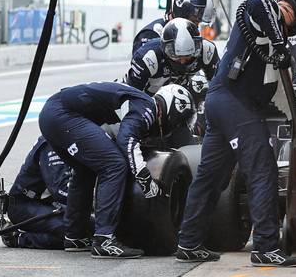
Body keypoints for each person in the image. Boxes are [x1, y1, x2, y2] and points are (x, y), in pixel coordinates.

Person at [175, 0, 296, 267]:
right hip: (234, 103)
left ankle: (188, 242)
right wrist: (280, 44)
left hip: (221, 102)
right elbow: (255, 2)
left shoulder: (271, 37)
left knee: (210, 177)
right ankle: (266, 247)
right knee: (262, 169)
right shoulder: (263, 10)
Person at [37, 82, 194, 258]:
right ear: (171, 109)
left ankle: (75, 235)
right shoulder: (147, 106)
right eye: (179, 121)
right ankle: (104, 239)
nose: (177, 127)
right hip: (62, 114)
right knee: (113, 165)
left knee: (85, 170)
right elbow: (126, 141)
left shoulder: (142, 105)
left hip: (52, 115)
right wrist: (146, 181)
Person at [0, 136, 73, 250]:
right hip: (25, 205)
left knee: (92, 228)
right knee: (73, 231)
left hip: (52, 202)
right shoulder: (52, 142)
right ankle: (18, 237)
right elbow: (61, 190)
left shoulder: (80, 136)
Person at [124, 18, 218, 94]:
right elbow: (131, 94)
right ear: (164, 48)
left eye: (188, 56)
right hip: (149, 99)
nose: (183, 62)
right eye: (177, 57)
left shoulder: (208, 50)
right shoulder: (148, 57)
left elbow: (219, 86)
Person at [132, 0, 215, 54]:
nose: (196, 27)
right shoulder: (152, 34)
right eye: (194, 22)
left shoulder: (191, 36)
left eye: (198, 23)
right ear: (182, 12)